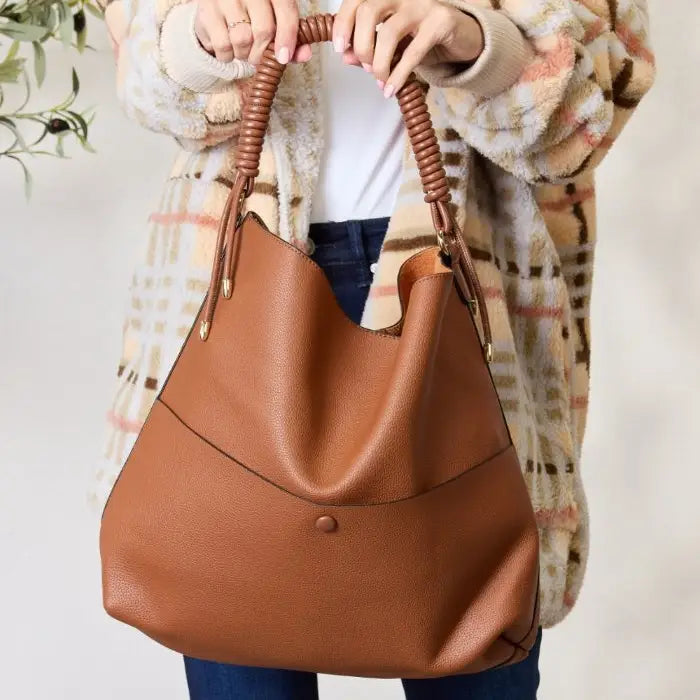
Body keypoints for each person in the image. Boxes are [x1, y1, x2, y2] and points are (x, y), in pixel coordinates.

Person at [94, 0, 654, 697]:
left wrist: (473, 41)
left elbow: (583, 118)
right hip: (243, 271)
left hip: (462, 275)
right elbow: (146, 80)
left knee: (478, 652)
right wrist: (200, 34)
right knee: (230, 632)